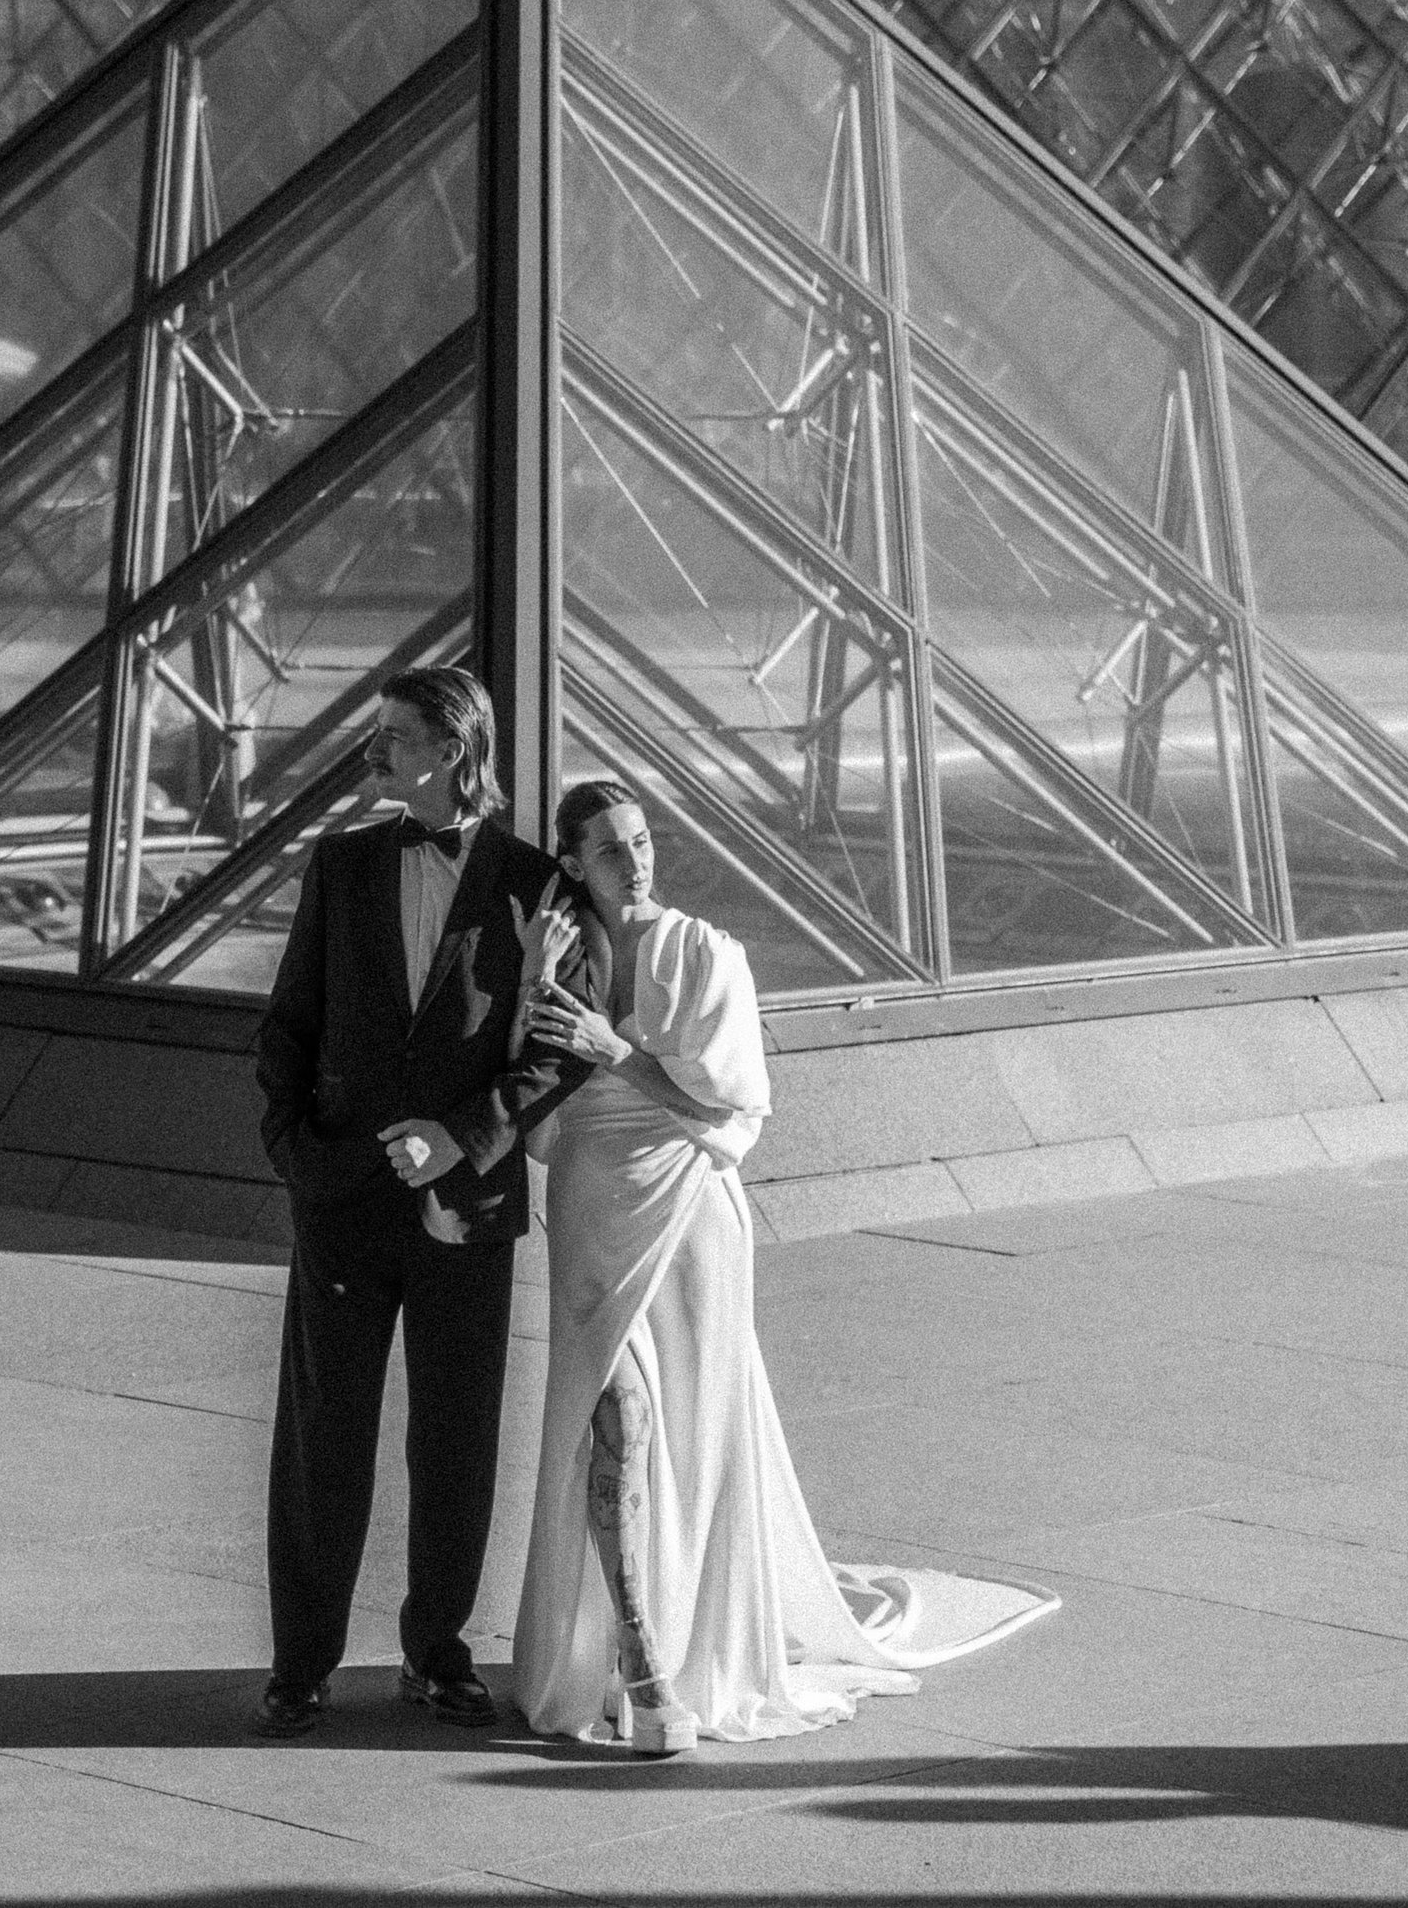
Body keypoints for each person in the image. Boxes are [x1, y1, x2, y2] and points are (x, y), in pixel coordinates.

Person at [509, 777, 1052, 1755]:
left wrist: (609, 1050)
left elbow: (733, 1116)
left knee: (686, 1438)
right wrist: (527, 1001)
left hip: (689, 1223)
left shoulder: (706, 955)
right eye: (610, 849)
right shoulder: (556, 965)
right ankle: (637, 1657)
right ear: (572, 865)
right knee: (616, 1421)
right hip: (592, 1219)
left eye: (642, 841)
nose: (635, 862)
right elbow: (540, 1135)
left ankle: (662, 1665)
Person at [251, 660, 565, 1741]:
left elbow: (555, 1054)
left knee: (456, 1440)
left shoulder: (533, 881)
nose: (370, 750)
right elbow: (289, 1022)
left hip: (463, 1207)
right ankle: (301, 1665)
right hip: (339, 1197)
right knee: (321, 1442)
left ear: (453, 751)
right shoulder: (337, 867)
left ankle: (440, 1653)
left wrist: (462, 1138)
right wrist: (295, 1153)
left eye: (391, 736)